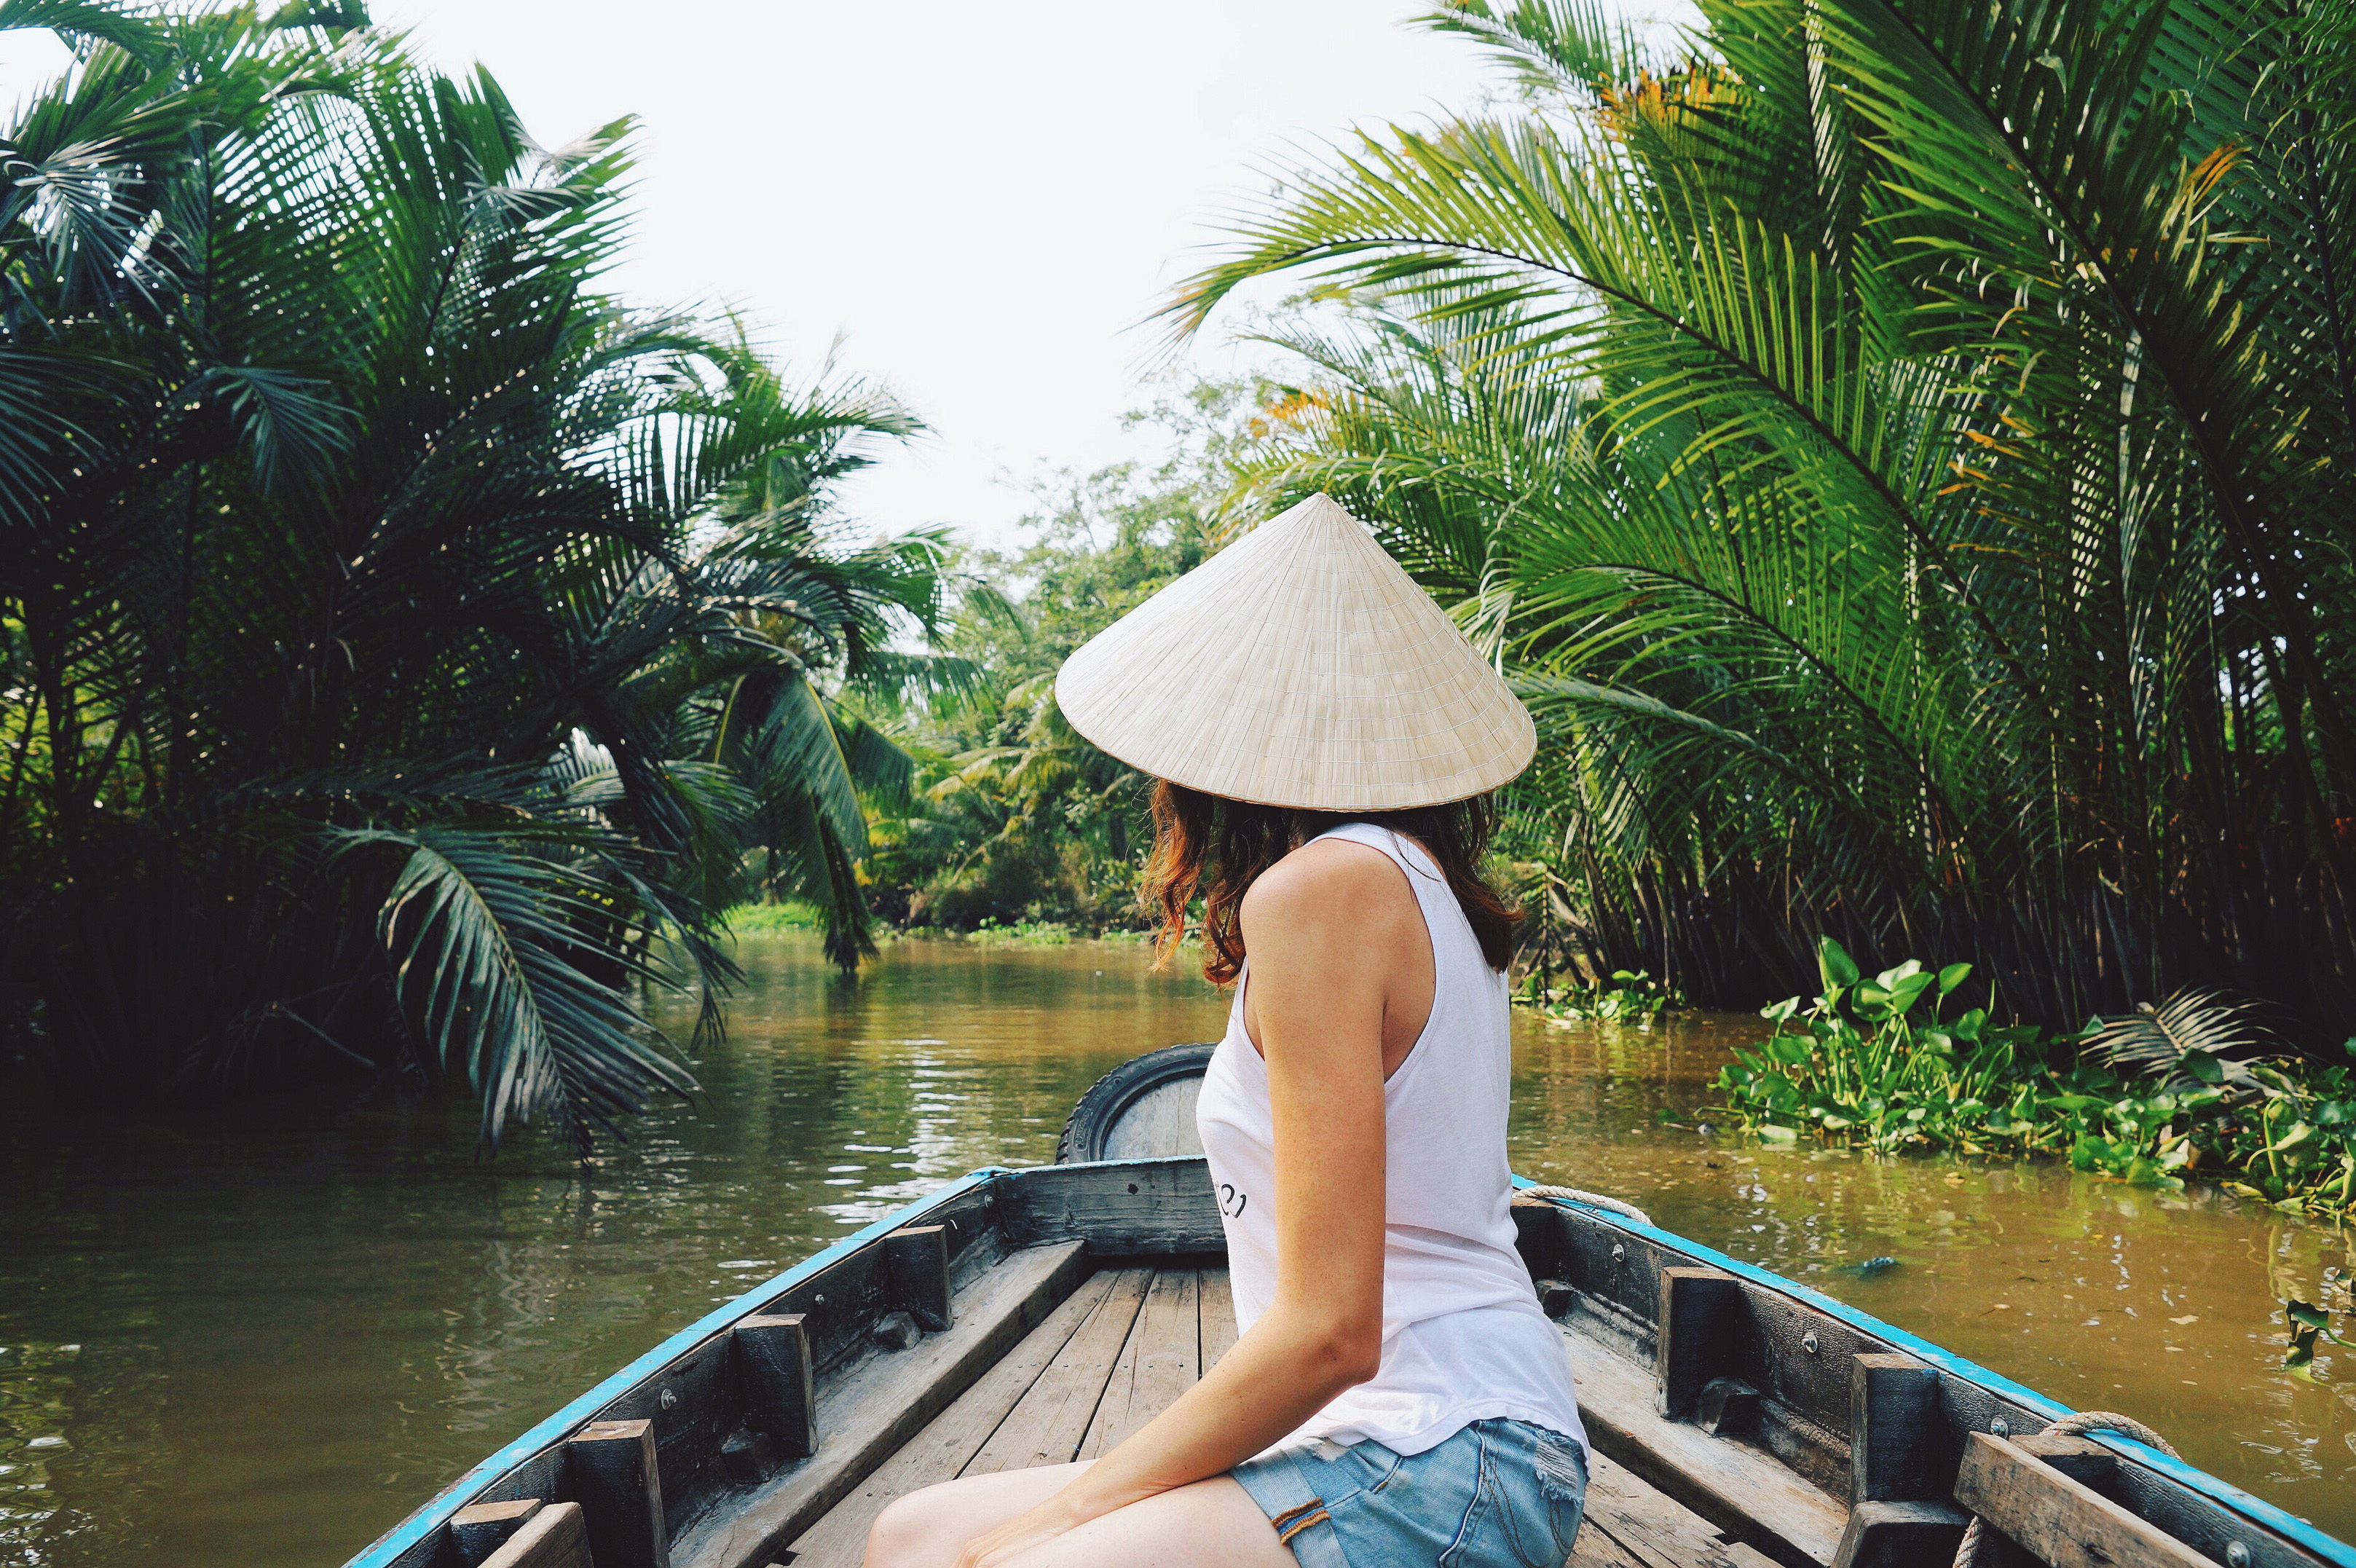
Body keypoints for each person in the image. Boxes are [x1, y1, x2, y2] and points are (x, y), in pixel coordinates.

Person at [864, 493, 1588, 1568]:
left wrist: (1062, 1517)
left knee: (1006, 1561)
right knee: (910, 1535)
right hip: (1391, 1433)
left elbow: (1335, 1329)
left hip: (1452, 1447)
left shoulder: (1324, 890)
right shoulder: (1415, 879)